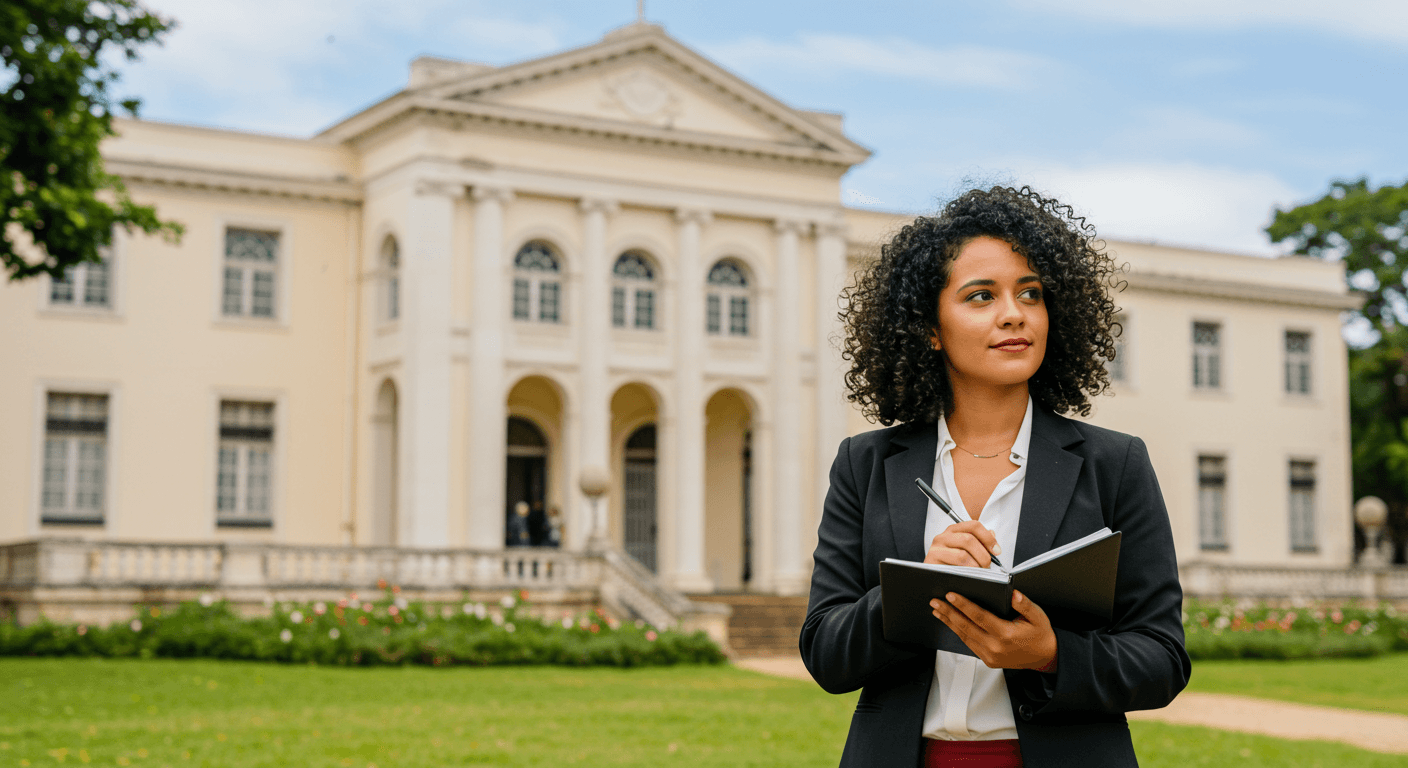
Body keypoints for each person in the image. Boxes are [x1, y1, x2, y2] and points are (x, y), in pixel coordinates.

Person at [801, 186, 1189, 768]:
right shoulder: (866, 463)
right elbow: (826, 654)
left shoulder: (1116, 464)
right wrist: (913, 591)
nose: (1014, 313)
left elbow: (1161, 659)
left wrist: (1052, 653)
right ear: (929, 327)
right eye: (981, 296)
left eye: (1029, 293)